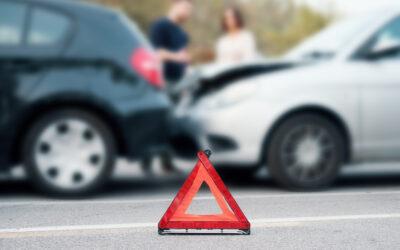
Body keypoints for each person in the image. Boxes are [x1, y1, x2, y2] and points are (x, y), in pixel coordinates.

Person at [142, 0, 193, 175]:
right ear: (175, 4)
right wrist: (176, 57)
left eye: (189, 9)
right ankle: (146, 161)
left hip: (178, 82)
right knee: (156, 122)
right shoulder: (160, 26)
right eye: (185, 7)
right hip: (162, 81)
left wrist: (186, 80)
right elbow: (155, 53)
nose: (187, 12)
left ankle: (167, 163)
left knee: (171, 123)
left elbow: (184, 59)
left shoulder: (182, 33)